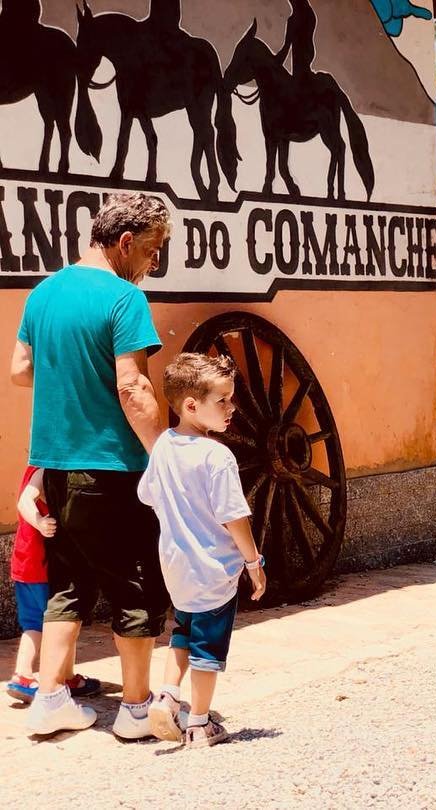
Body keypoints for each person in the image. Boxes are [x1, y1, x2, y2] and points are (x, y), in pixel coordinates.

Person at [11, 192, 170, 738]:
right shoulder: (124, 299)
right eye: (152, 251)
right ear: (125, 243)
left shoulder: (44, 292)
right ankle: (134, 710)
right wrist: (164, 453)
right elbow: (133, 386)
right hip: (110, 467)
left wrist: (71, 376)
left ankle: (51, 698)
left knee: (68, 583)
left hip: (53, 466)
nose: (152, 265)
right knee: (135, 583)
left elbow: (20, 368)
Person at [140, 353, 266, 748]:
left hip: (176, 566)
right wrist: (253, 562)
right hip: (214, 569)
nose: (232, 408)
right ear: (192, 405)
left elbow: (148, 495)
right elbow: (234, 517)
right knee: (207, 648)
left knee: (182, 631)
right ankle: (199, 723)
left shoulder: (163, 447)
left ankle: (166, 695)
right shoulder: (217, 455)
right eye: (223, 401)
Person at [7, 466, 101, 703]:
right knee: (64, 619)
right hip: (43, 565)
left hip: (25, 565)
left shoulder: (37, 468)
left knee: (34, 625)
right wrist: (39, 521)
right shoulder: (44, 470)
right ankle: (63, 676)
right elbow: (24, 501)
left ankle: (24, 674)